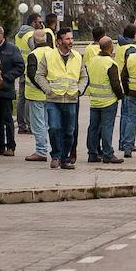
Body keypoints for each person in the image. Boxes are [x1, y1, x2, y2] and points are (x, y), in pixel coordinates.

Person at [35, 27, 87, 169]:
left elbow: (84, 76)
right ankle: (56, 156)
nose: (71, 41)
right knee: (54, 128)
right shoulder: (49, 55)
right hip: (54, 99)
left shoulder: (77, 56)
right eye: (68, 39)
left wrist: (79, 90)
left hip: (71, 99)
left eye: (71, 38)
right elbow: (39, 75)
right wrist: (48, 89)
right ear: (59, 41)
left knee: (69, 131)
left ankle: (65, 159)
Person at [84, 37, 124, 164]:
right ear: (110, 47)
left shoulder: (92, 60)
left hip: (95, 100)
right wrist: (120, 96)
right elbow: (116, 84)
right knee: (107, 127)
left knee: (93, 128)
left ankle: (92, 153)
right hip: (108, 101)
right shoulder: (110, 63)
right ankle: (108, 154)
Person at [0, 24, 24, 157]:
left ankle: (10, 146)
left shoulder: (12, 49)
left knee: (7, 119)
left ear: (2, 35)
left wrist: (6, 78)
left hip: (6, 89)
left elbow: (20, 67)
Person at [22, 28, 53, 162]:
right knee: (47, 123)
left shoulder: (33, 54)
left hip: (36, 95)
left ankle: (41, 151)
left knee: (38, 124)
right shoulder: (54, 53)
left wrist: (42, 88)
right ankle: (51, 149)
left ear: (34, 41)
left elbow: (32, 74)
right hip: (51, 94)